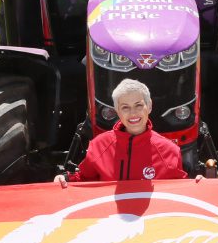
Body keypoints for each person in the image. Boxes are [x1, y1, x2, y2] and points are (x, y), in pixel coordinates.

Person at [54, 78, 188, 184]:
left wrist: (200, 184)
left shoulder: (169, 151)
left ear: (149, 106)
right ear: (117, 111)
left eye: (139, 105)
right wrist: (64, 179)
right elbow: (83, 179)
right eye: (125, 107)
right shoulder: (99, 145)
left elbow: (182, 189)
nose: (133, 113)